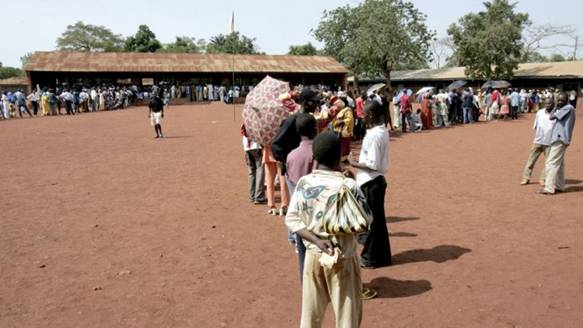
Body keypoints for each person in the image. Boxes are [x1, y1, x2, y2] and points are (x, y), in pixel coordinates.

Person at [285, 131, 371, 328]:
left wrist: (316, 240)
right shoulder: (348, 185)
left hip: (314, 255)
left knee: (310, 317)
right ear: (339, 156)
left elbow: (292, 219)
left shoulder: (304, 183)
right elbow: (366, 219)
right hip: (343, 256)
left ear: (314, 157)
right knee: (347, 317)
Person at [349, 101, 392, 268]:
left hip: (371, 181)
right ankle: (381, 256)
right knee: (377, 222)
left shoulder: (375, 134)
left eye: (365, 115)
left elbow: (373, 163)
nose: (363, 117)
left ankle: (371, 257)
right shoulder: (381, 132)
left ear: (371, 115)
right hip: (374, 180)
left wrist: (353, 163)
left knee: (373, 222)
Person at [285, 113, 317, 283]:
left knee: (303, 253)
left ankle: (307, 283)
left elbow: (290, 180)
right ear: (315, 129)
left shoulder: (291, 156)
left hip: (301, 213)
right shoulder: (320, 151)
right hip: (319, 212)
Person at [540, 93, 576, 195]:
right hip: (559, 138)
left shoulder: (568, 108)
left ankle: (549, 187)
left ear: (567, 100)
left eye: (562, 101)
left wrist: (555, 106)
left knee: (551, 162)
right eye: (559, 100)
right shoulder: (566, 108)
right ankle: (560, 186)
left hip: (560, 139)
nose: (560, 102)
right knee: (559, 164)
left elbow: (551, 117)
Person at [521, 97, 556, 186]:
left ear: (553, 104)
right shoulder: (539, 112)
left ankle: (543, 178)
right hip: (538, 141)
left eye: (550, 103)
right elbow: (536, 125)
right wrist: (537, 136)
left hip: (549, 142)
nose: (548, 105)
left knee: (548, 162)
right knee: (531, 160)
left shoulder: (556, 114)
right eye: (546, 103)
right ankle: (526, 177)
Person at [241, 124, 266, 204]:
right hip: (256, 146)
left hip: (247, 147)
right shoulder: (257, 121)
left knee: (251, 172)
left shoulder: (246, 119)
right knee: (260, 170)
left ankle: (252, 196)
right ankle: (259, 197)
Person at [331, 98, 354, 162]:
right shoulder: (340, 111)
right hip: (338, 131)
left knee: (345, 145)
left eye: (337, 106)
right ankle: (343, 158)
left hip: (344, 131)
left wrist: (342, 121)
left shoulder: (347, 110)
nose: (336, 107)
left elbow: (350, 119)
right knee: (341, 145)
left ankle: (345, 158)